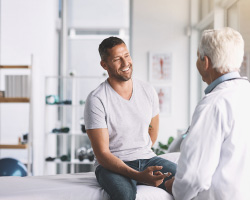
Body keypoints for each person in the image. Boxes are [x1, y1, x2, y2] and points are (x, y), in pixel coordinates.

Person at [84, 36, 176, 200]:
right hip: (111, 165)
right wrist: (139, 175)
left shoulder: (147, 90)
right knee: (125, 195)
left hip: (147, 158)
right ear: (104, 65)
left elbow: (152, 131)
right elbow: (103, 154)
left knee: (188, 180)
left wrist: (141, 158)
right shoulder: (96, 99)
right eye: (117, 59)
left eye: (126, 55)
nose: (125, 63)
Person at [165, 27, 250, 200]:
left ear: (205, 62)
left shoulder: (213, 104)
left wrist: (174, 187)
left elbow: (194, 176)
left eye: (198, 56)